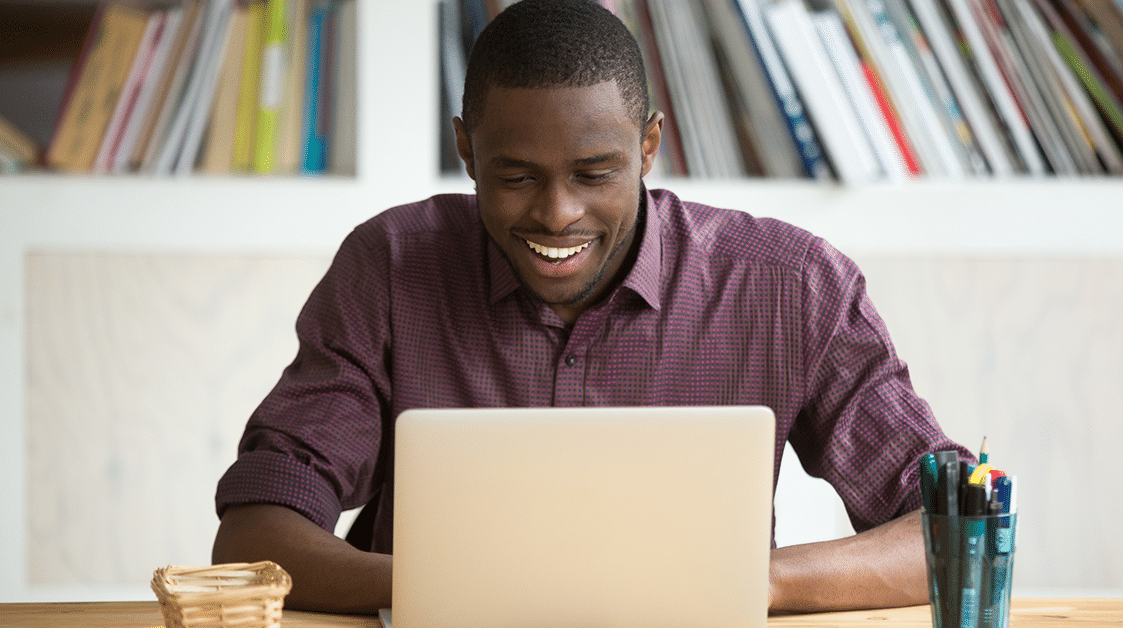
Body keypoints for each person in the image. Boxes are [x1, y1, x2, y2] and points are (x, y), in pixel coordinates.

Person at [212, 0, 971, 615]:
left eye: (594, 172)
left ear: (648, 147)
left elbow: (959, 531)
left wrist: (754, 581)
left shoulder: (790, 285)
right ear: (467, 151)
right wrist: (450, 596)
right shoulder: (389, 267)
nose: (556, 213)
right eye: (513, 176)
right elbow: (255, 534)